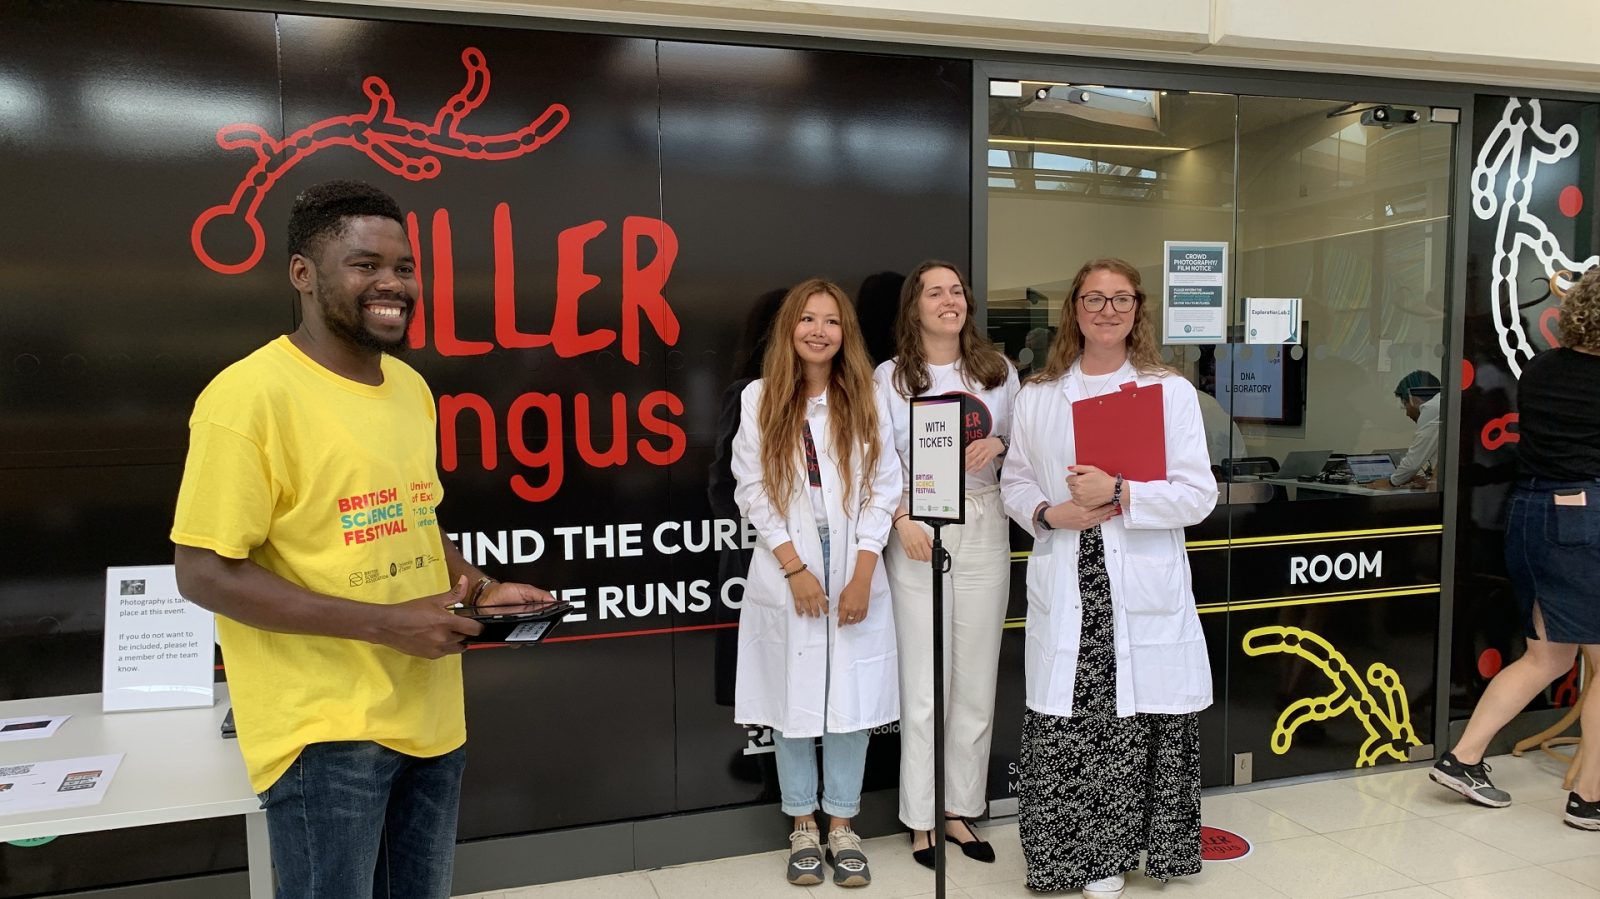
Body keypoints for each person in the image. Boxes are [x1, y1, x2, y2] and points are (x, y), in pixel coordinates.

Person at [171, 180, 551, 899]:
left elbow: (417, 519)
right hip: (325, 734)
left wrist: (479, 587)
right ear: (303, 275)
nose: (392, 284)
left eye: (404, 266)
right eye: (365, 264)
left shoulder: (409, 388)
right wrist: (385, 624)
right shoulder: (246, 399)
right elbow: (202, 572)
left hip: (432, 716)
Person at [1001, 258, 1216, 899]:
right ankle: (1079, 859)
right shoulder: (1038, 394)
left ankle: (1140, 850)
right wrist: (1047, 512)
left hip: (1140, 577)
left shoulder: (1168, 391)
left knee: (1142, 719)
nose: (1106, 309)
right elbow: (1015, 480)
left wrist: (1122, 491)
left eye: (1120, 298)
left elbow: (1198, 494)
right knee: (1077, 722)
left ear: (1137, 309)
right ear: (1074, 309)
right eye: (1093, 298)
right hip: (1071, 570)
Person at [731, 278, 901, 887]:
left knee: (847, 702)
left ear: (845, 333)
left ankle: (843, 825)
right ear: (789, 330)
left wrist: (861, 572)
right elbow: (751, 489)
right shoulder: (760, 397)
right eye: (807, 319)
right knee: (794, 698)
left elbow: (886, 486)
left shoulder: (865, 398)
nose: (819, 330)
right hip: (789, 562)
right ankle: (802, 823)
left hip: (857, 555)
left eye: (831, 321)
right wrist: (796, 568)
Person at [1431, 268, 1600, 830]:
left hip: (1530, 514)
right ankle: (1590, 798)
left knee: (1547, 656)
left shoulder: (1543, 368)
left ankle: (1463, 757)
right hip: (1585, 519)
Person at [873, 261, 1018, 867]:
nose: (948, 300)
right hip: (917, 527)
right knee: (924, 680)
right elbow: (875, 459)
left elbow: (1031, 443)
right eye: (935, 292)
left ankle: (959, 809)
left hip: (985, 519)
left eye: (956, 291)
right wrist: (900, 520)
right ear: (915, 307)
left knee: (976, 680)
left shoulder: (997, 370)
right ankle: (920, 817)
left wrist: (1003, 445)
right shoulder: (892, 378)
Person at [1370, 369, 1441, 490]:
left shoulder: (1431, 409)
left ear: (1412, 398)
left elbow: (1413, 463)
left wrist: (1390, 482)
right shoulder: (1444, 402)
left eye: (1405, 404)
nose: (1407, 413)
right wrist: (1429, 482)